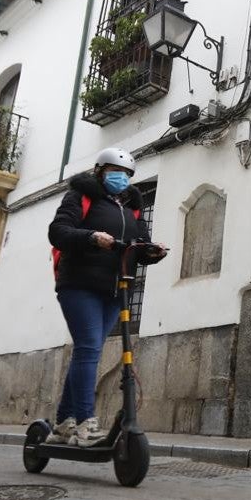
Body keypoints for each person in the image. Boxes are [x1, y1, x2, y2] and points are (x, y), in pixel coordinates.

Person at [46, 148, 166, 447]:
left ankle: (62, 424)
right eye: (116, 171)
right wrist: (91, 237)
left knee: (89, 350)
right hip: (79, 284)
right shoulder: (81, 196)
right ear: (100, 171)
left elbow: (139, 244)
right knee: (88, 349)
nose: (121, 178)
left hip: (115, 289)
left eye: (126, 174)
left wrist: (153, 251)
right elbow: (58, 232)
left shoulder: (131, 208)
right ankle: (86, 422)